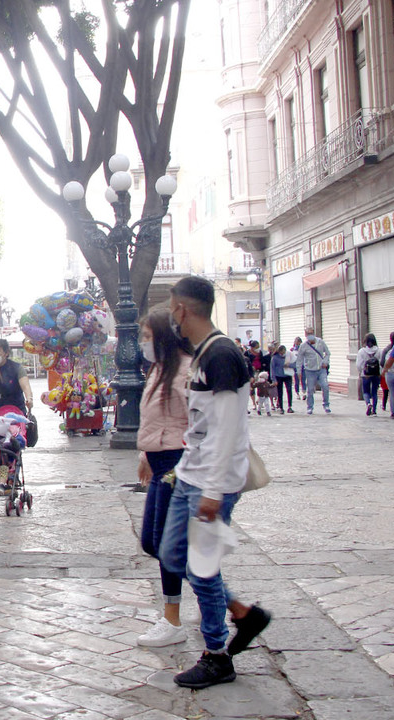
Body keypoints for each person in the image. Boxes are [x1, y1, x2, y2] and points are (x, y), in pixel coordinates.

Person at [161, 276, 271, 690]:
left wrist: (212, 491)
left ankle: (217, 655)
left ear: (182, 310)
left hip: (212, 481)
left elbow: (227, 429)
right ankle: (242, 612)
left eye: (173, 308)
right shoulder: (204, 353)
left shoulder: (222, 354)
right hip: (191, 473)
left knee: (201, 568)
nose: (173, 316)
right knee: (172, 555)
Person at [134, 308, 193, 648]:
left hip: (175, 464)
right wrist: (145, 454)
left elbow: (196, 424)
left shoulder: (185, 371)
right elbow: (158, 419)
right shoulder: (158, 369)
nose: (143, 343)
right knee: (153, 543)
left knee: (167, 547)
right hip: (158, 463)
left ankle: (173, 619)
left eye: (147, 336)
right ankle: (224, 598)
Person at [0, 339, 34, 414]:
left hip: (17, 411)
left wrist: (29, 399)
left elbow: (26, 386)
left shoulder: (16, 368)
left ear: (6, 353)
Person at [298, 328, 331, 414]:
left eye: (311, 333)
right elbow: (299, 359)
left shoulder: (320, 342)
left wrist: (325, 362)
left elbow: (327, 353)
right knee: (310, 389)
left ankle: (326, 404)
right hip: (309, 370)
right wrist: (299, 372)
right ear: (305, 335)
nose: (310, 335)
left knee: (325, 386)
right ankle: (310, 407)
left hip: (321, 369)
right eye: (308, 334)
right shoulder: (303, 346)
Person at [355, 334, 381, 416]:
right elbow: (381, 363)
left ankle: (368, 403)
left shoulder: (361, 351)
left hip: (365, 374)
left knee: (366, 391)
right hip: (376, 374)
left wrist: (361, 371)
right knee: (374, 392)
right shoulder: (379, 351)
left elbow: (358, 364)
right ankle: (374, 410)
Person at [270, 344, 292, 414]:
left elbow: (295, 363)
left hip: (288, 375)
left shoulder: (289, 356)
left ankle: (290, 406)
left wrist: (289, 365)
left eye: (284, 352)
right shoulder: (275, 358)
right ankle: (281, 407)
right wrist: (274, 379)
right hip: (279, 376)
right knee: (280, 392)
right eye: (281, 353)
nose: (282, 354)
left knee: (289, 390)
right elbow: (272, 368)